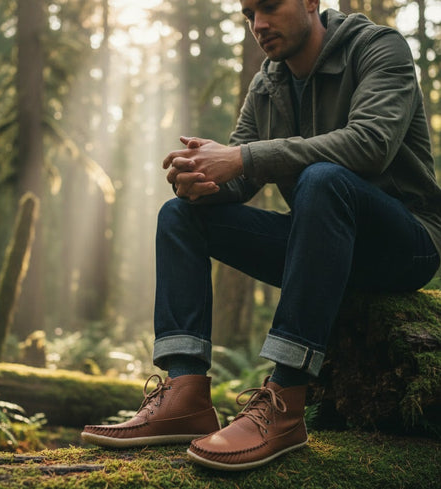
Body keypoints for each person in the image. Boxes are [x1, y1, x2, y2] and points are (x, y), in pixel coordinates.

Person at [82, 0, 441, 471]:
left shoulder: (377, 48)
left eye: (270, 7)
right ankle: (185, 392)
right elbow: (240, 181)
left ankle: (285, 399)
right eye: (249, 14)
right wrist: (198, 181)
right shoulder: (268, 82)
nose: (259, 25)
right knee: (178, 215)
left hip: (406, 245)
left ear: (312, 2)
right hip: (319, 246)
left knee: (322, 179)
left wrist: (241, 158)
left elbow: (370, 144)